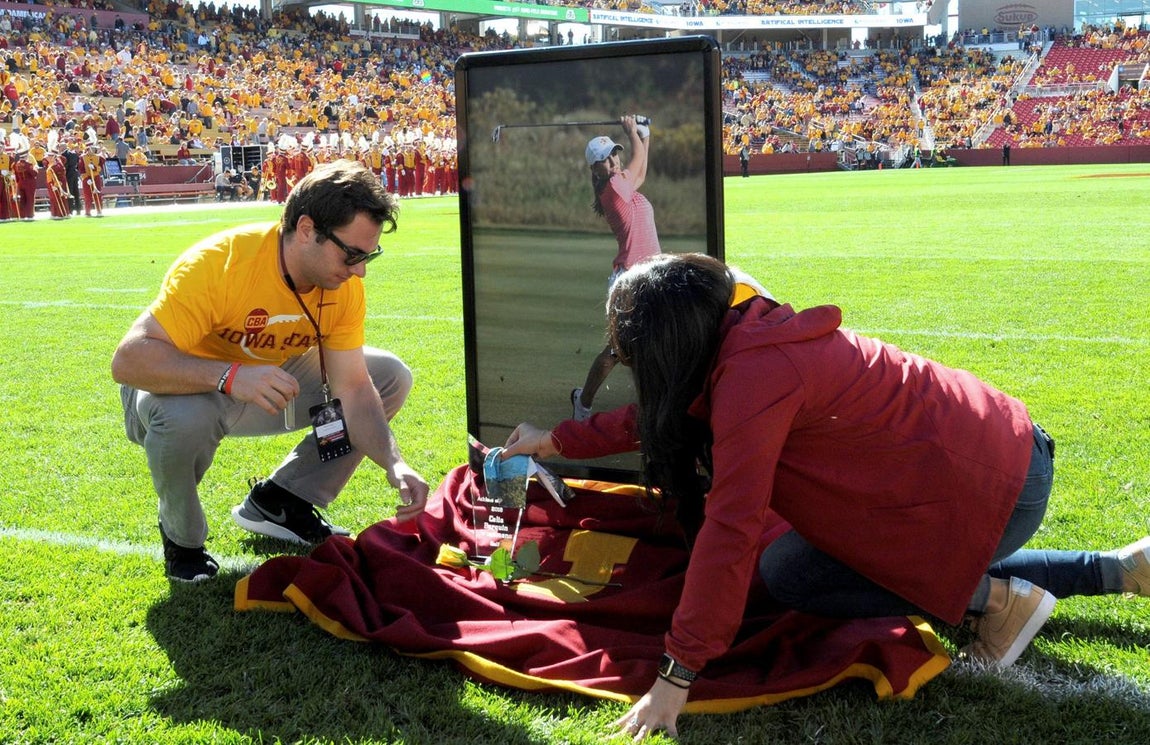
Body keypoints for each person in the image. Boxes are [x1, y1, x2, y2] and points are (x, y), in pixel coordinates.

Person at [501, 253, 1150, 741]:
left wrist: (676, 677)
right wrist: (557, 439)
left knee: (793, 570)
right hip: (994, 463)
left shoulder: (753, 377)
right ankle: (1119, 568)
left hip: (990, 486)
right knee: (796, 564)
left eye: (629, 349)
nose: (626, 360)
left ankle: (995, 599)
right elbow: (671, 413)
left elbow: (730, 529)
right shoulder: (743, 336)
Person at [112, 160, 430, 582]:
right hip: (180, 388)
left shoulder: (343, 286)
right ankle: (183, 540)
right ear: (305, 229)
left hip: (264, 381)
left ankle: (282, 500)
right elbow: (128, 360)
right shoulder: (221, 262)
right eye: (351, 254)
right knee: (185, 418)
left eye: (368, 255)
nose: (360, 270)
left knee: (389, 375)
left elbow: (352, 387)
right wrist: (230, 375)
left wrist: (394, 463)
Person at [571, 115, 661, 422]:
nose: (611, 162)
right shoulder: (611, 188)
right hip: (629, 279)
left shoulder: (625, 186)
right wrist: (634, 133)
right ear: (595, 170)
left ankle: (653, 407)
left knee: (648, 348)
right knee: (615, 352)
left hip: (650, 276)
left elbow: (641, 170)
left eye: (613, 155)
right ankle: (582, 404)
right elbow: (637, 164)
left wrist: (645, 137)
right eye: (603, 161)